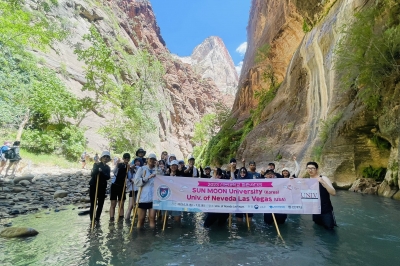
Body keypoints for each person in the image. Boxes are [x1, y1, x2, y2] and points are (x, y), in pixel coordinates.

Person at [307, 161, 337, 230]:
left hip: (325, 210)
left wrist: (323, 183)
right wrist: (292, 181)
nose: (310, 170)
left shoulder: (323, 178)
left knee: (330, 229)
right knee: (318, 229)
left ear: (317, 169)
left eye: (312, 168)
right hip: (315, 211)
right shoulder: (307, 181)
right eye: (308, 168)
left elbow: (333, 193)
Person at [134, 153, 159, 228]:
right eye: (150, 159)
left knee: (152, 218)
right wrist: (147, 178)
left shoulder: (157, 170)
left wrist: (157, 168)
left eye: (153, 159)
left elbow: (162, 180)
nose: (152, 160)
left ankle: (152, 237)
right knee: (141, 219)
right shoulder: (141, 169)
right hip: (142, 198)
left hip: (153, 198)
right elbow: (136, 182)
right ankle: (140, 237)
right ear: (147, 159)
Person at [89, 151, 111, 224]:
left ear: (108, 159)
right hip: (94, 186)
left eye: (107, 157)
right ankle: (92, 220)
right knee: (93, 203)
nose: (106, 158)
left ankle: (97, 218)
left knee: (101, 204)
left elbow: (108, 177)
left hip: (102, 187)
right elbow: (92, 174)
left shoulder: (108, 168)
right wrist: (97, 170)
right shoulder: (96, 164)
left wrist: (102, 172)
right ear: (101, 158)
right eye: (104, 157)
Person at [109, 153, 131, 222]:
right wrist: (116, 165)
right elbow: (114, 172)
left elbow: (129, 177)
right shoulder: (120, 165)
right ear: (123, 158)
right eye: (125, 158)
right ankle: (111, 219)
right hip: (115, 185)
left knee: (121, 204)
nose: (126, 159)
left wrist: (129, 169)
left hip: (122, 186)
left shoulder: (129, 166)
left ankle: (120, 220)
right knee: (113, 203)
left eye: (128, 158)